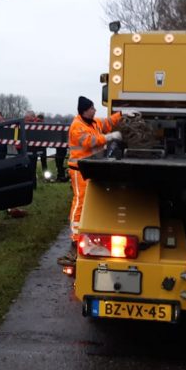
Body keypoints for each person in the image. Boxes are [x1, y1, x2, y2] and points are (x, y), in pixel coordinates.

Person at [58, 97, 131, 266]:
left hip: (89, 168)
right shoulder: (77, 126)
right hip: (79, 170)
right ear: (85, 110)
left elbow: (107, 122)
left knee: (87, 202)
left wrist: (121, 114)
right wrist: (111, 137)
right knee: (80, 202)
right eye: (92, 108)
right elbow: (90, 142)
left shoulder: (93, 122)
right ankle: (75, 239)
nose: (95, 111)